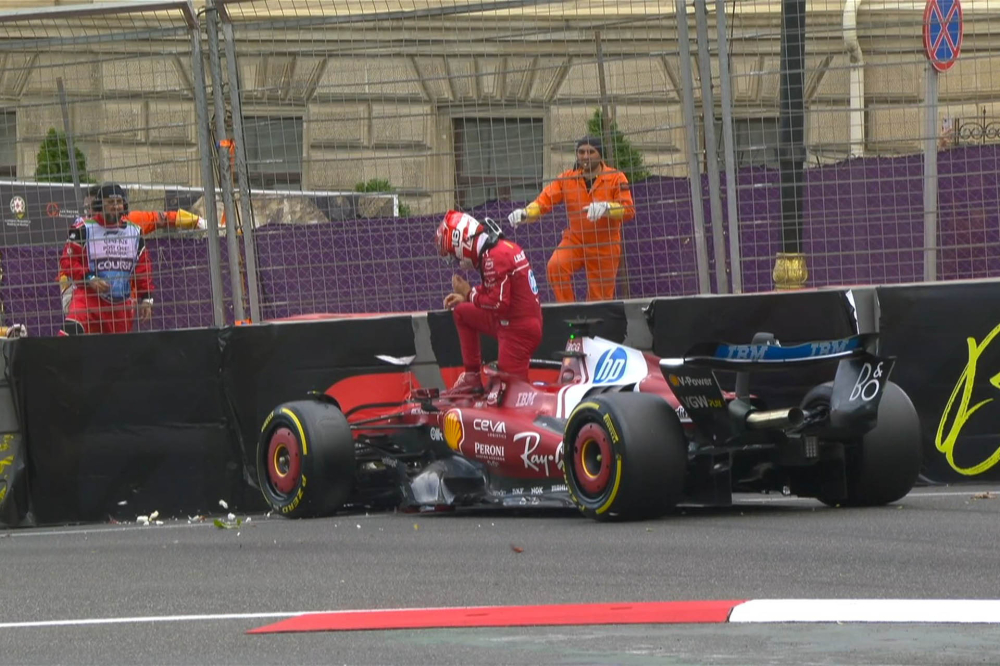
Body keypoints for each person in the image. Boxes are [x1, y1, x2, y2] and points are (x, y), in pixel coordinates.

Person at [507, 135, 635, 303]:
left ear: (600, 155)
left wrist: (607, 208)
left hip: (605, 245)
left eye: (591, 152)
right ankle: (568, 309)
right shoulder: (567, 179)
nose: (585, 156)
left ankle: (595, 327)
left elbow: (628, 210)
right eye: (581, 152)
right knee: (556, 266)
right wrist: (526, 213)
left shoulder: (616, 178)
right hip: (575, 240)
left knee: (600, 298)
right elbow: (544, 200)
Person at [435, 210, 543, 397]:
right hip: (511, 321)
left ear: (464, 244)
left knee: (514, 396)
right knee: (461, 312)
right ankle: (472, 378)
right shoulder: (497, 249)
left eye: (454, 254)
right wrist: (467, 298)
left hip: (518, 331)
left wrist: (469, 293)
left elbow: (498, 302)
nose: (457, 261)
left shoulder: (494, 257)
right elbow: (497, 293)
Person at [57, 185, 203, 316]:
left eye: (94, 206)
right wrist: (69, 288)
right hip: (84, 295)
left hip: (118, 300)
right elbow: (67, 263)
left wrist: (199, 222)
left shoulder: (131, 223)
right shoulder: (81, 228)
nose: (90, 211)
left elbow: (162, 218)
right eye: (87, 208)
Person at [58, 183, 154, 335]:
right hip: (88, 299)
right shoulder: (83, 229)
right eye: (110, 202)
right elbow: (67, 261)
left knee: (117, 354)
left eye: (119, 202)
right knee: (69, 335)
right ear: (99, 204)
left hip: (120, 305)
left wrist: (147, 298)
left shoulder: (135, 232)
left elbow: (143, 268)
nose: (115, 206)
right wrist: (89, 278)